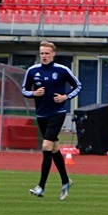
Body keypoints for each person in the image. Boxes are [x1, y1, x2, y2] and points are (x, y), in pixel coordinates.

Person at [22, 41, 82, 200]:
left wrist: (66, 97)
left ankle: (41, 186)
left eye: (47, 53)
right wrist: (33, 94)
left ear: (53, 54)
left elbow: (77, 86)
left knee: (46, 146)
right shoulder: (32, 70)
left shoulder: (62, 70)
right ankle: (66, 181)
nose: (44, 56)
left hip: (58, 112)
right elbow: (24, 90)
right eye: (42, 53)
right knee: (54, 148)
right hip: (41, 115)